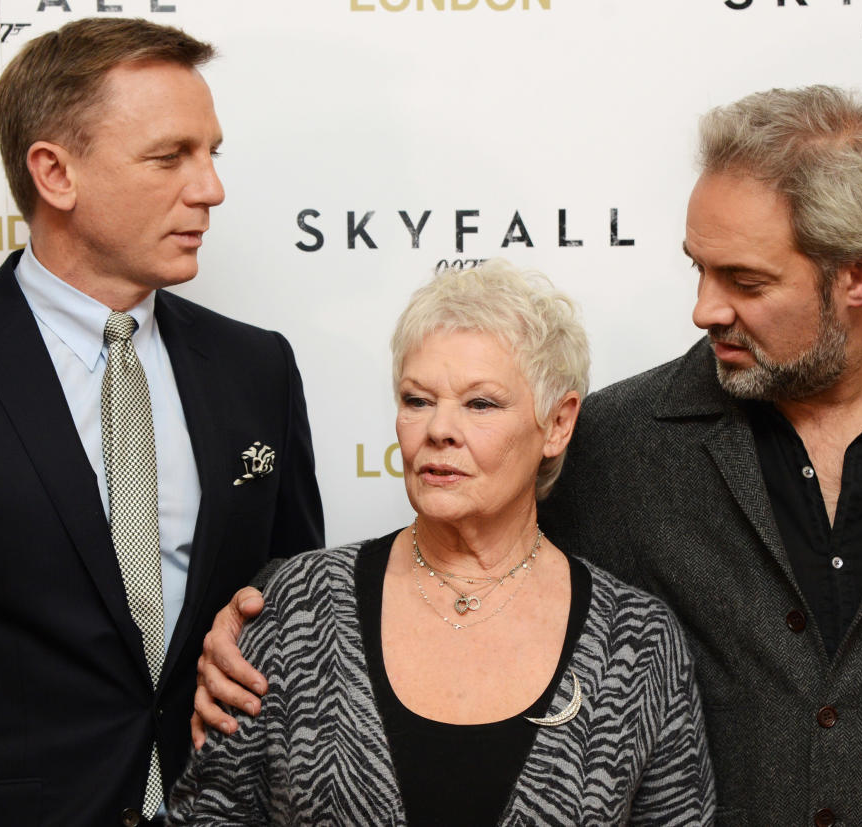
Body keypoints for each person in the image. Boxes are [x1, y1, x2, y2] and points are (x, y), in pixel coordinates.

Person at [194, 85, 862, 825]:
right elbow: (463, 565)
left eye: (745, 281)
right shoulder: (617, 439)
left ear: (858, 274)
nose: (702, 308)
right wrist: (251, 633)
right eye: (697, 267)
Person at [0, 17, 323, 827]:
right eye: (170, 157)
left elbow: (298, 616)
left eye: (211, 153)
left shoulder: (255, 368)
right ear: (55, 173)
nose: (210, 189)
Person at [167, 261, 715, 825]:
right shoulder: (300, 605)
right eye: (417, 400)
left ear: (557, 423)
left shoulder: (638, 641)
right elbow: (212, 813)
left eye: (480, 404)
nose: (438, 430)